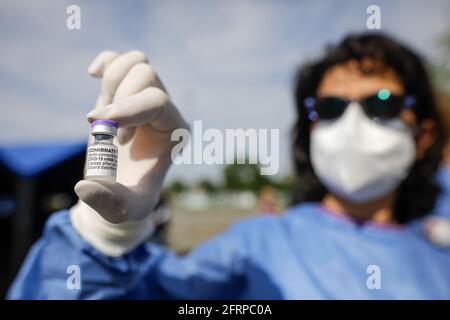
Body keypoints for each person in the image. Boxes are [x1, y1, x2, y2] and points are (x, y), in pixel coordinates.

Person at [7, 32, 450, 299]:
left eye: (382, 104)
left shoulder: (439, 246)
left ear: (425, 132)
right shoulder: (257, 246)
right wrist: (106, 235)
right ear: (309, 130)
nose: (352, 123)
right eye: (331, 106)